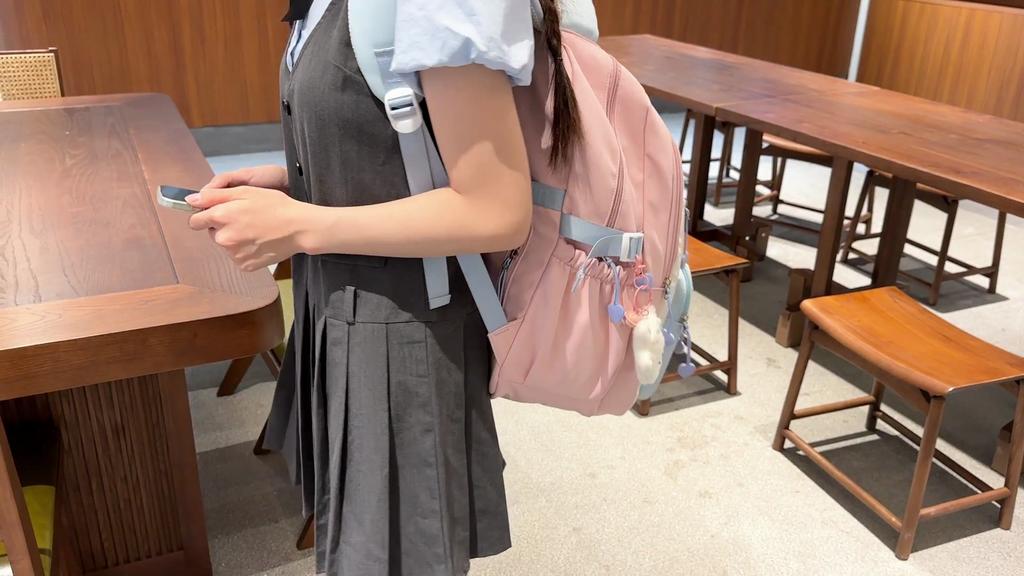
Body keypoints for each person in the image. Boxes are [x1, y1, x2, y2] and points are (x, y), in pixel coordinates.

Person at [185, 0, 581, 574]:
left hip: (403, 334)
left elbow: (495, 209)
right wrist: (295, 184)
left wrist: (301, 225)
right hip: (340, 312)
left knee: (392, 557)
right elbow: (399, 145)